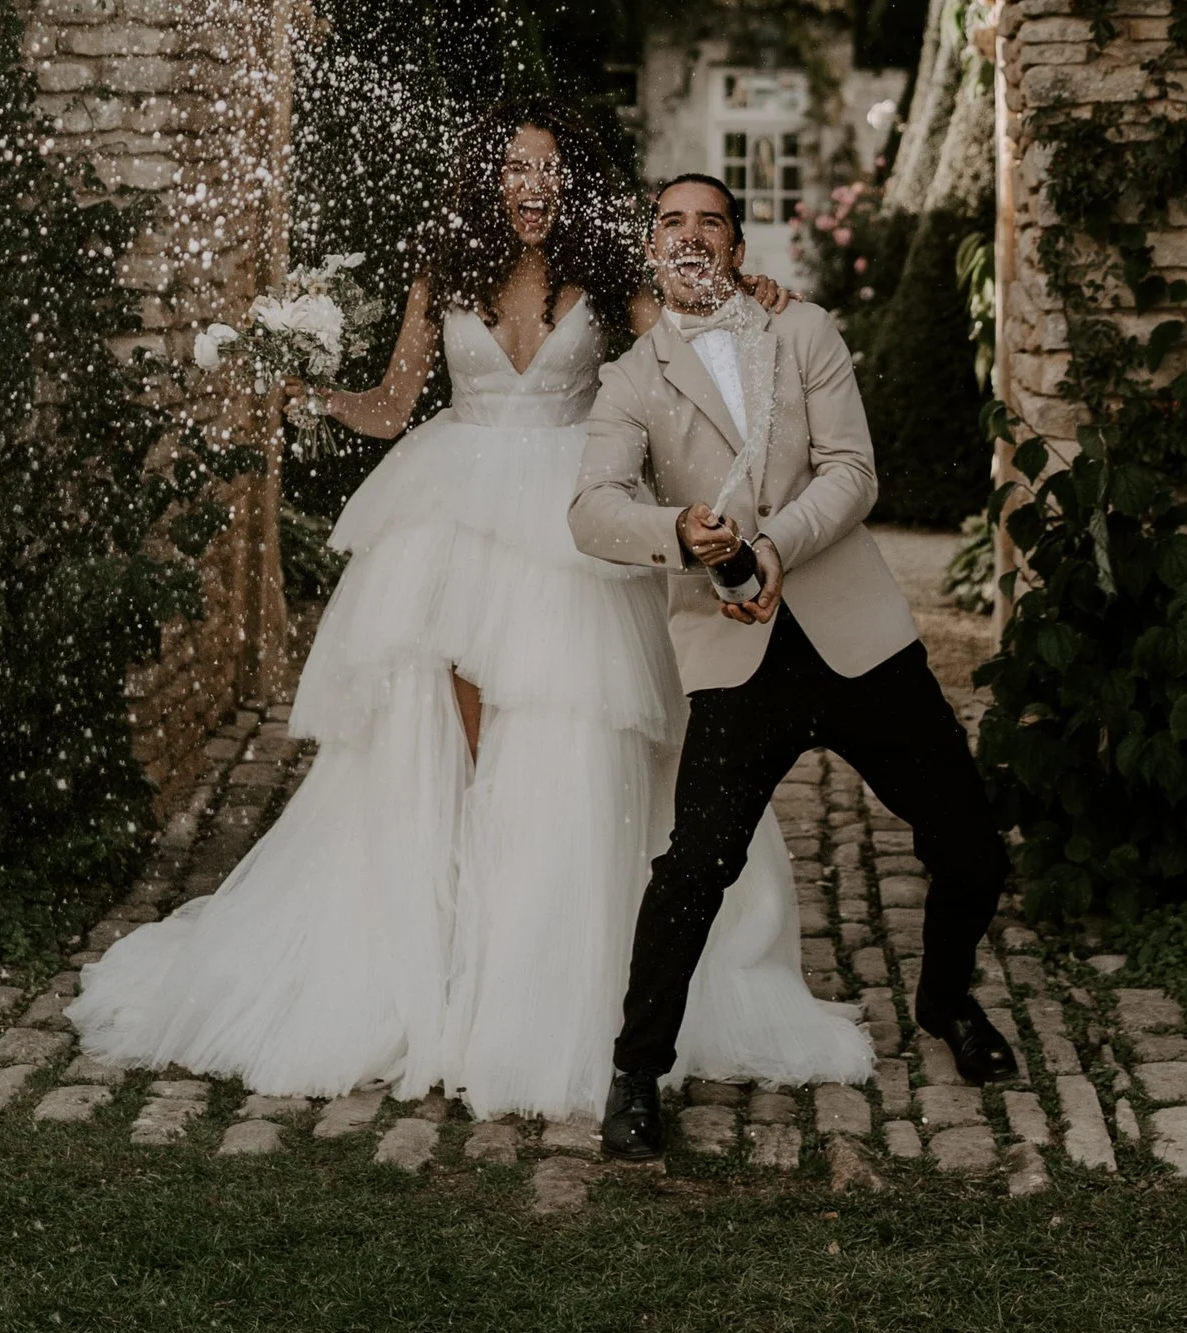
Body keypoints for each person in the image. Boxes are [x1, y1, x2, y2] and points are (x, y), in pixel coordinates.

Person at [67, 104, 870, 1115]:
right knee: (443, 749)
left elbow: (693, 369)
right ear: (487, 179)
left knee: (569, 746)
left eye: (549, 166)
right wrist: (298, 391)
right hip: (449, 518)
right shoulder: (440, 270)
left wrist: (747, 303)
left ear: (571, 182)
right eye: (513, 166)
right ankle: (441, 960)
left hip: (574, 521)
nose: (531, 184)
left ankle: (545, 976)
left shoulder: (615, 281)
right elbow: (392, 406)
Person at [569, 170, 1016, 1159]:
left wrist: (773, 550)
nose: (691, 234)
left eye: (710, 221)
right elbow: (591, 511)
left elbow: (852, 471)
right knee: (695, 864)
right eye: (672, 221)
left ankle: (945, 1002)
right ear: (655, 247)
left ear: (735, 247)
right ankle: (636, 1074)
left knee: (972, 843)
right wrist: (676, 531)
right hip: (733, 657)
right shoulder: (633, 380)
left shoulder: (803, 333)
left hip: (856, 637)